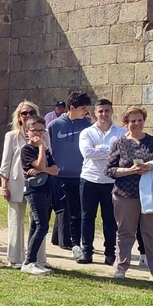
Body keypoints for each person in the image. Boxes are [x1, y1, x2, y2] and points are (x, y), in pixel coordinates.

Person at [106, 107, 153, 284]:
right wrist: (129, 171)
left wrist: (151, 166)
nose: (136, 124)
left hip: (150, 194)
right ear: (125, 124)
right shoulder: (119, 143)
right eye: (132, 121)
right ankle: (120, 268)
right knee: (125, 232)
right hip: (126, 194)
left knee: (151, 233)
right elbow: (110, 170)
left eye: (140, 120)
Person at [0, 102, 47, 268]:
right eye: (24, 113)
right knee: (15, 220)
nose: (27, 115)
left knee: (38, 222)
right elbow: (6, 163)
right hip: (17, 181)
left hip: (38, 182)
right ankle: (15, 258)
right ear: (19, 116)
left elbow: (49, 158)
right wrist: (4, 186)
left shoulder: (44, 136)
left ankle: (38, 258)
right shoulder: (12, 136)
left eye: (30, 112)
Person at [78, 98, 125, 265]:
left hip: (111, 181)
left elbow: (122, 155)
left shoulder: (121, 132)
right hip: (89, 179)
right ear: (95, 113)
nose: (104, 114)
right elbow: (87, 153)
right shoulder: (86, 133)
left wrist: (100, 149)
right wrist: (111, 150)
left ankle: (110, 253)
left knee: (110, 219)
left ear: (112, 112)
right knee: (87, 217)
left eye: (107, 110)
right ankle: (87, 252)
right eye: (100, 111)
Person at [48, 91, 92, 259]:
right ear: (72, 108)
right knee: (55, 209)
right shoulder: (54, 125)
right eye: (83, 107)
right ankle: (46, 244)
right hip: (57, 176)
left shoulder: (87, 127)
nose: (85, 111)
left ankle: (74, 243)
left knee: (76, 211)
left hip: (79, 176)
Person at [19, 119, 59, 275]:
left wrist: (44, 169)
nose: (38, 134)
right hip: (34, 190)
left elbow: (55, 170)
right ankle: (28, 262)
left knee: (36, 226)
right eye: (35, 130)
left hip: (47, 188)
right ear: (27, 131)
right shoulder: (27, 150)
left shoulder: (46, 151)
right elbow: (41, 165)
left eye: (42, 131)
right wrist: (41, 147)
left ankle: (32, 260)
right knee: (42, 225)